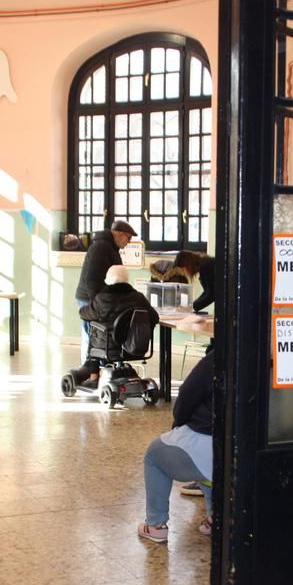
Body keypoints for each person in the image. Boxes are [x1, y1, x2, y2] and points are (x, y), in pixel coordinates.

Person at [137, 349, 215, 544]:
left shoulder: (215, 360)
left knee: (154, 455)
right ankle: (218, 518)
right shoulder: (270, 359)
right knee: (210, 464)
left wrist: (178, 426)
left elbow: (186, 396)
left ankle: (156, 525)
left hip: (205, 441)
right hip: (240, 448)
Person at [71, 265, 159, 383]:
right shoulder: (139, 298)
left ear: (108, 280)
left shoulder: (102, 298)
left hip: (109, 347)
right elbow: (154, 317)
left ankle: (94, 377)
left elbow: (84, 313)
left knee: (94, 331)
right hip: (134, 346)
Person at [73, 220, 137, 361]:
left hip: (100, 299)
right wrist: (98, 304)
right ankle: (89, 371)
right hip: (89, 298)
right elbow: (91, 278)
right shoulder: (101, 247)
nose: (128, 242)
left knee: (97, 338)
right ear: (120, 234)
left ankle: (95, 372)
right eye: (128, 237)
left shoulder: (110, 247)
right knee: (92, 338)